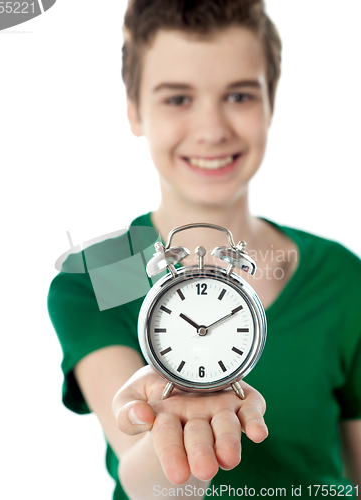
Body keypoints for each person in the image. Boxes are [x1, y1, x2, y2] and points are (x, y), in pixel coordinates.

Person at [47, 1, 361, 499]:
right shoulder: (100, 276)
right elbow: (144, 480)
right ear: (134, 109)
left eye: (238, 95)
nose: (212, 129)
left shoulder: (342, 279)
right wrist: (175, 424)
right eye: (177, 99)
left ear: (270, 103)